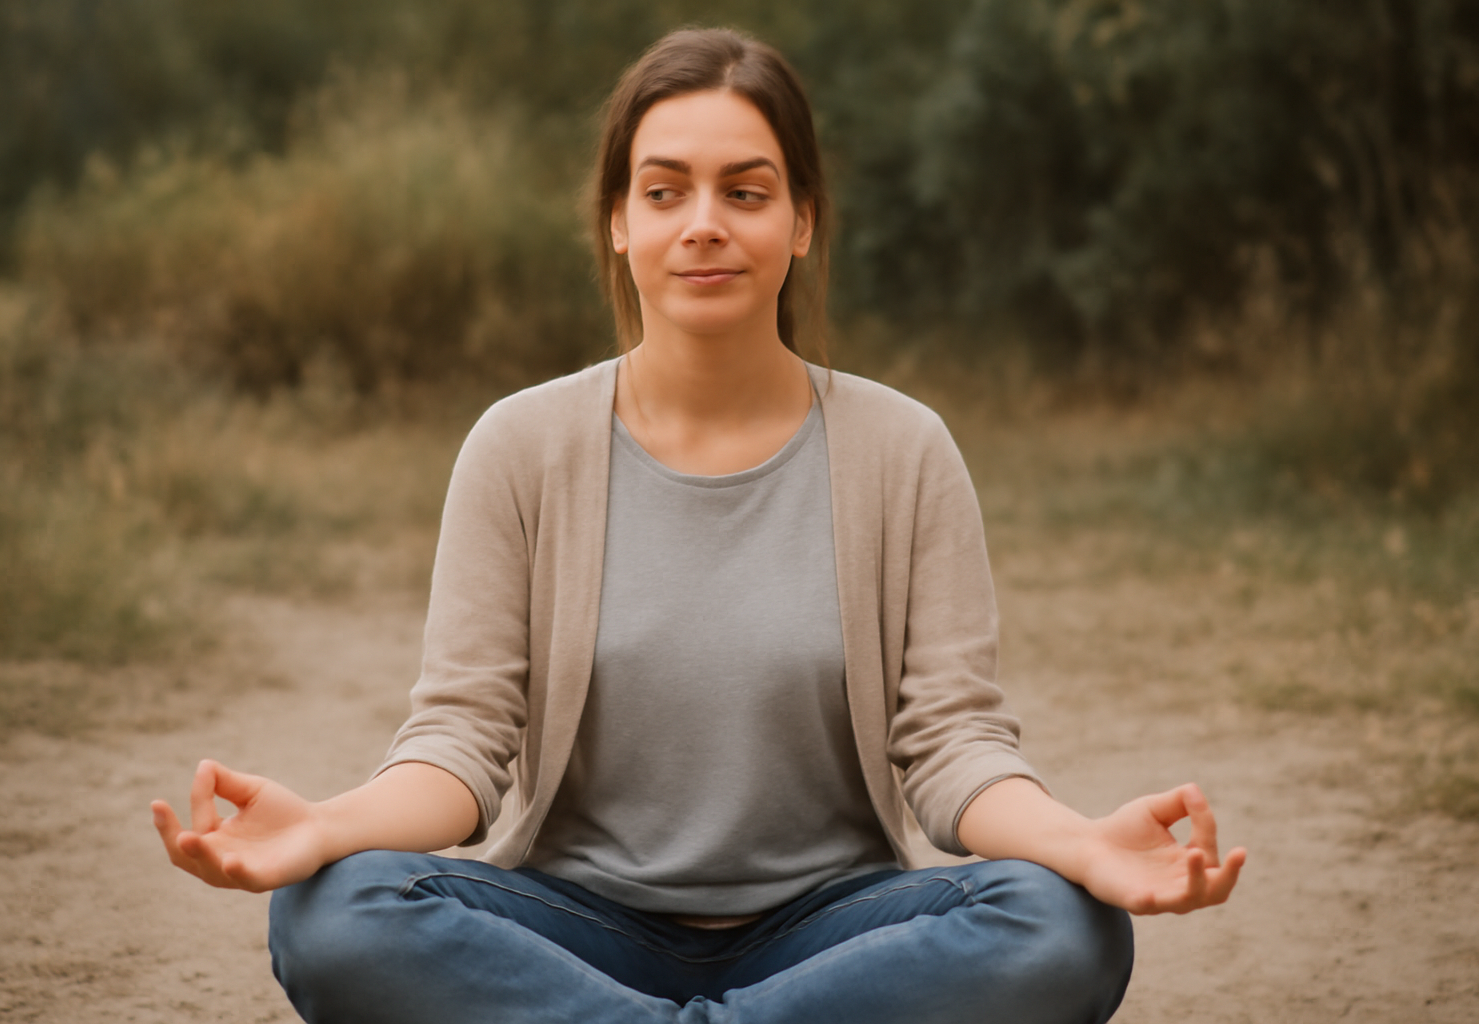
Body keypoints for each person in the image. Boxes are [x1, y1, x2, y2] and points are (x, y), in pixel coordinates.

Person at [152, 27, 1245, 1024]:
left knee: (1064, 925)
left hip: (833, 940)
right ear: (620, 223)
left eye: (746, 190)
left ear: (802, 220)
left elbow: (954, 747)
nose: (705, 224)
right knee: (332, 910)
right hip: (570, 934)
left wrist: (1084, 842)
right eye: (666, 191)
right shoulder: (519, 447)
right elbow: (461, 745)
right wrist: (327, 826)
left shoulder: (904, 450)